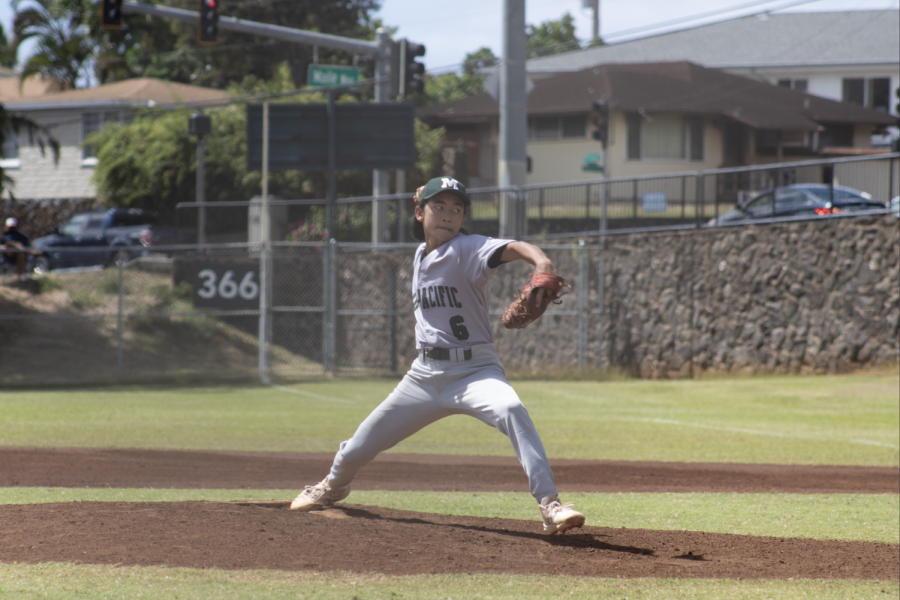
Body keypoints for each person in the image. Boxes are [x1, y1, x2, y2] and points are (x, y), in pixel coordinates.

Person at [290, 176, 586, 535]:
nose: (448, 215)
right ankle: (332, 486)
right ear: (419, 212)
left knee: (511, 410)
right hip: (424, 376)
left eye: (456, 209)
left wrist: (542, 263)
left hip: (476, 371)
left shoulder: (466, 248)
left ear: (463, 220)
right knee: (357, 448)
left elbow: (514, 247)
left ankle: (550, 505)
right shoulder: (419, 254)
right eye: (438, 207)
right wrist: (423, 196)